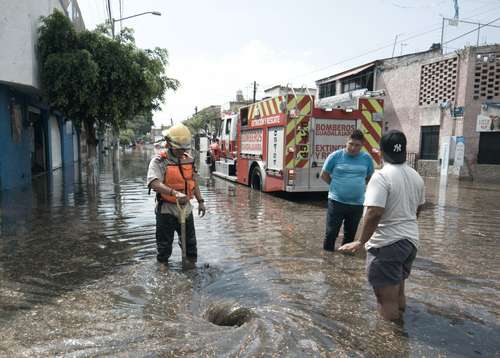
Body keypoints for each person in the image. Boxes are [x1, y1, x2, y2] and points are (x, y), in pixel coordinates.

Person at [339, 130, 425, 322]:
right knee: (399, 290)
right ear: (403, 151)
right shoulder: (416, 176)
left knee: (385, 300)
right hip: (410, 242)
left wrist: (361, 241)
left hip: (387, 244)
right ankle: (401, 325)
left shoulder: (381, 176)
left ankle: (391, 341)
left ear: (380, 152)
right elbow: (417, 210)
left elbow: (374, 212)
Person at [147, 123, 206, 264]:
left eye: (184, 148)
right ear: (168, 144)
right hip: (166, 209)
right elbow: (153, 183)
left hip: (185, 209)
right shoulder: (159, 161)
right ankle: (162, 274)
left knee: (190, 246)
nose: (182, 151)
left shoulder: (189, 160)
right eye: (179, 148)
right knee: (164, 248)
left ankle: (191, 272)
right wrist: (174, 193)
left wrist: (201, 201)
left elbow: (194, 182)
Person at [320, 129, 374, 251]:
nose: (353, 148)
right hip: (336, 201)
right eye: (351, 144)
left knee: (350, 236)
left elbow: (370, 178)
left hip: (357, 204)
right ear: (346, 142)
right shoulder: (335, 156)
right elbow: (324, 175)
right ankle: (328, 261)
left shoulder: (366, 158)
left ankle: (345, 263)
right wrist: (336, 186)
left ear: (362, 145)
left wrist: (359, 187)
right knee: (330, 233)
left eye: (357, 145)